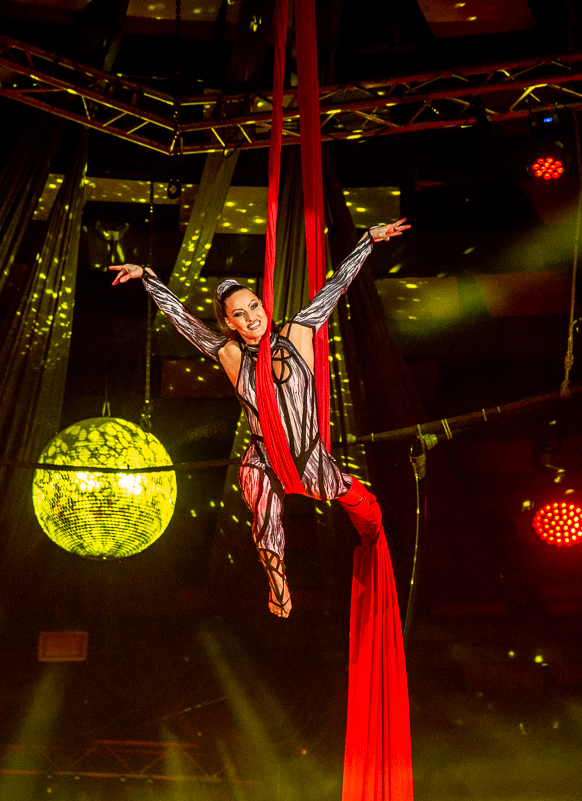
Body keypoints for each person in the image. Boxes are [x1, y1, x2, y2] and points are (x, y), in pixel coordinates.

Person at [110, 219, 410, 617]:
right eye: (239, 313)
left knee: (355, 500)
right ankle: (277, 582)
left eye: (254, 306)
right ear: (229, 323)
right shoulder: (230, 354)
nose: (251, 316)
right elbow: (183, 321)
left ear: (263, 305)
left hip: (308, 455)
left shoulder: (299, 332)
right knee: (261, 503)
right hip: (265, 455)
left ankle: (373, 535)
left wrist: (367, 240)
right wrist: (148, 277)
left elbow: (335, 286)